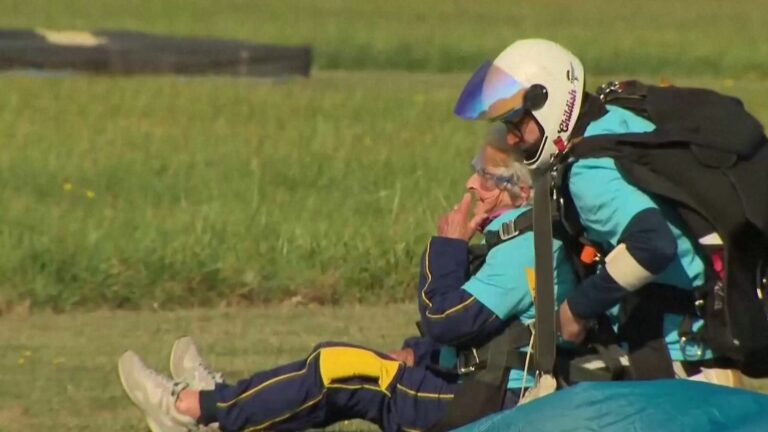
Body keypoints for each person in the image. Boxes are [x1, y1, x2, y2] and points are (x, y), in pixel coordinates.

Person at [117, 125, 580, 432]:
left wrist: (448, 245)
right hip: (483, 387)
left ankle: (189, 411)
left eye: (486, 176)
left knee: (338, 371)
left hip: (487, 408)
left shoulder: (527, 250)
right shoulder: (526, 238)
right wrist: (415, 353)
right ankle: (218, 402)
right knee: (343, 360)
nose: (471, 186)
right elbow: (489, 334)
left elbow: (445, 318)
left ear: (520, 190)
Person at [452, 38, 768, 381]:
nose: (512, 139)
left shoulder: (588, 174)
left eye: (517, 123)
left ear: (547, 103)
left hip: (681, 360)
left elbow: (651, 244)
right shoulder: (613, 115)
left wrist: (576, 310)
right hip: (701, 342)